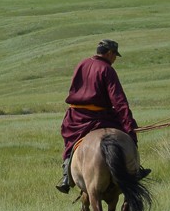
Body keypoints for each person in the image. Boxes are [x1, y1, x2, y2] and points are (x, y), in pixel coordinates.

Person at [56, 39, 151, 193]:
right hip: (99, 116)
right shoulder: (107, 69)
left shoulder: (82, 64)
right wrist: (130, 126)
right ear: (109, 53)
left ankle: (66, 174)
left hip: (76, 117)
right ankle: (135, 169)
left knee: (71, 142)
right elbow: (119, 101)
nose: (114, 59)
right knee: (124, 136)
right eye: (115, 55)